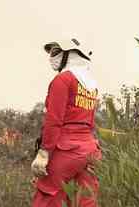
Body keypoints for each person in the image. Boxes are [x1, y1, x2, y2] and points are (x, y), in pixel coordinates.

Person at [30, 39, 102, 207]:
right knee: (85, 200)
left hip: (66, 149)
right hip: (90, 150)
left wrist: (44, 153)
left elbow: (54, 120)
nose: (51, 57)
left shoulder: (63, 80)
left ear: (70, 54)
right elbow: (89, 122)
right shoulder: (91, 85)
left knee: (47, 197)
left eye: (56, 52)